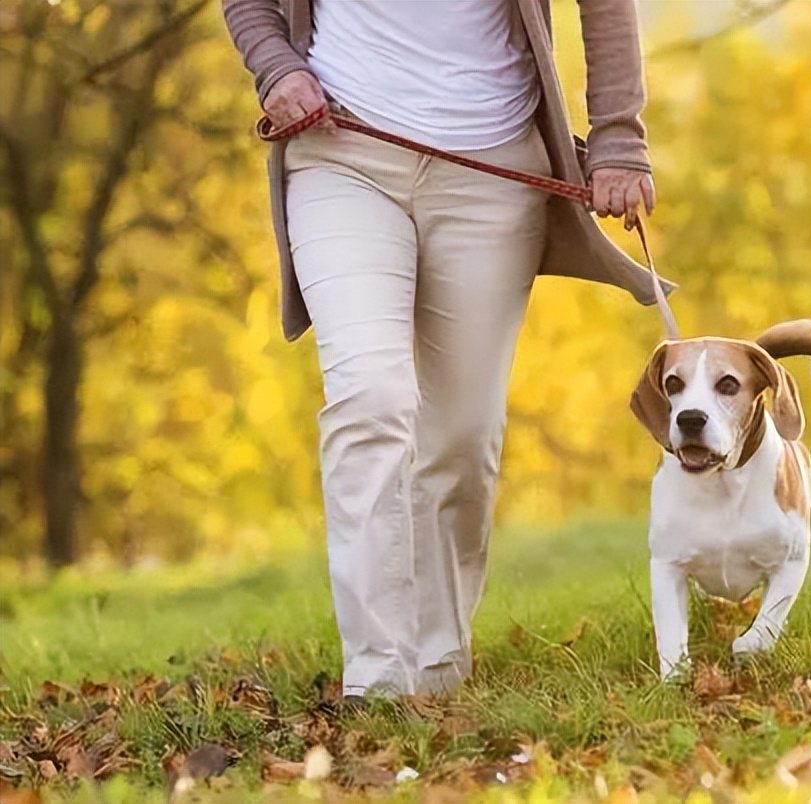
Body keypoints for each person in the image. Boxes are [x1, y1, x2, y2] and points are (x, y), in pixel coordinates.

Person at [221, 0, 671, 699]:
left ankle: (437, 669)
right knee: (370, 399)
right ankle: (378, 680)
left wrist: (618, 141)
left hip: (490, 171)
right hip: (343, 153)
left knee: (461, 438)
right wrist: (276, 67)